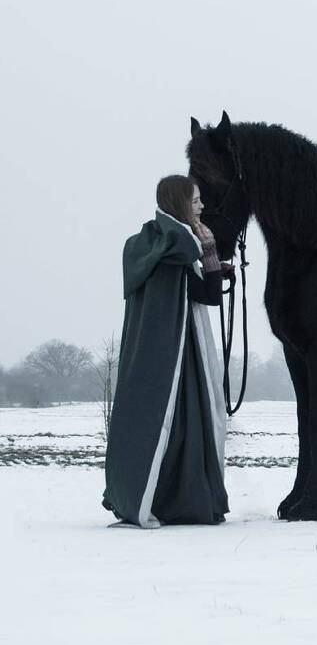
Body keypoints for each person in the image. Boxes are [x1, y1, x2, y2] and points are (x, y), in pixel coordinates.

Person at [101, 174, 234, 528]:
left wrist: (214, 266)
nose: (202, 207)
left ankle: (179, 498)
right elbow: (196, 285)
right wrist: (206, 252)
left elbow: (201, 293)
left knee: (181, 426)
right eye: (195, 201)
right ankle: (169, 499)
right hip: (174, 354)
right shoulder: (174, 243)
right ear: (178, 203)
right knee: (170, 426)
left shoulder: (158, 244)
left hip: (181, 349)